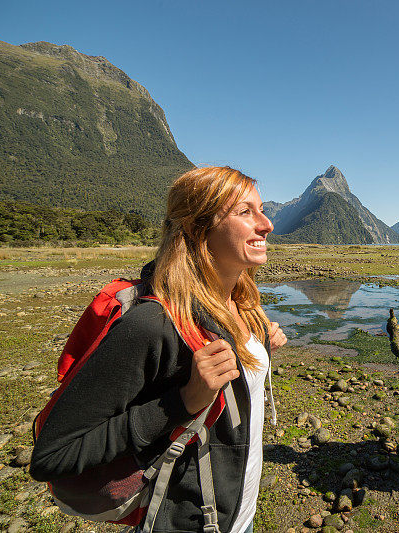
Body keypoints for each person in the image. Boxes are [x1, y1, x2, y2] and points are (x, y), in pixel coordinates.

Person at [31, 166, 287, 532]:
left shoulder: (240, 306)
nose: (266, 224)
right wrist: (183, 401)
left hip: (237, 515)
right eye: (246, 212)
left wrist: (259, 347)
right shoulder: (152, 324)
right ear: (199, 229)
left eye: (261, 210)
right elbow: (52, 456)